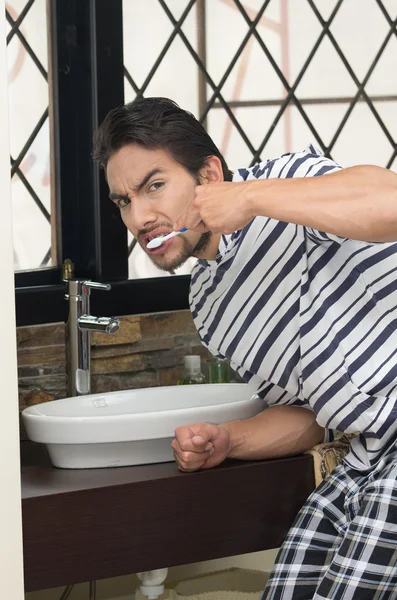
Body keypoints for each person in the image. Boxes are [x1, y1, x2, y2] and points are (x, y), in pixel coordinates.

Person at [93, 96, 397, 599]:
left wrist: (252, 198)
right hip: (368, 456)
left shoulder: (287, 183)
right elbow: (310, 415)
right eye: (124, 201)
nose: (141, 216)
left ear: (209, 175)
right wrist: (229, 441)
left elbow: (390, 201)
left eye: (154, 186)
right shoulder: (210, 307)